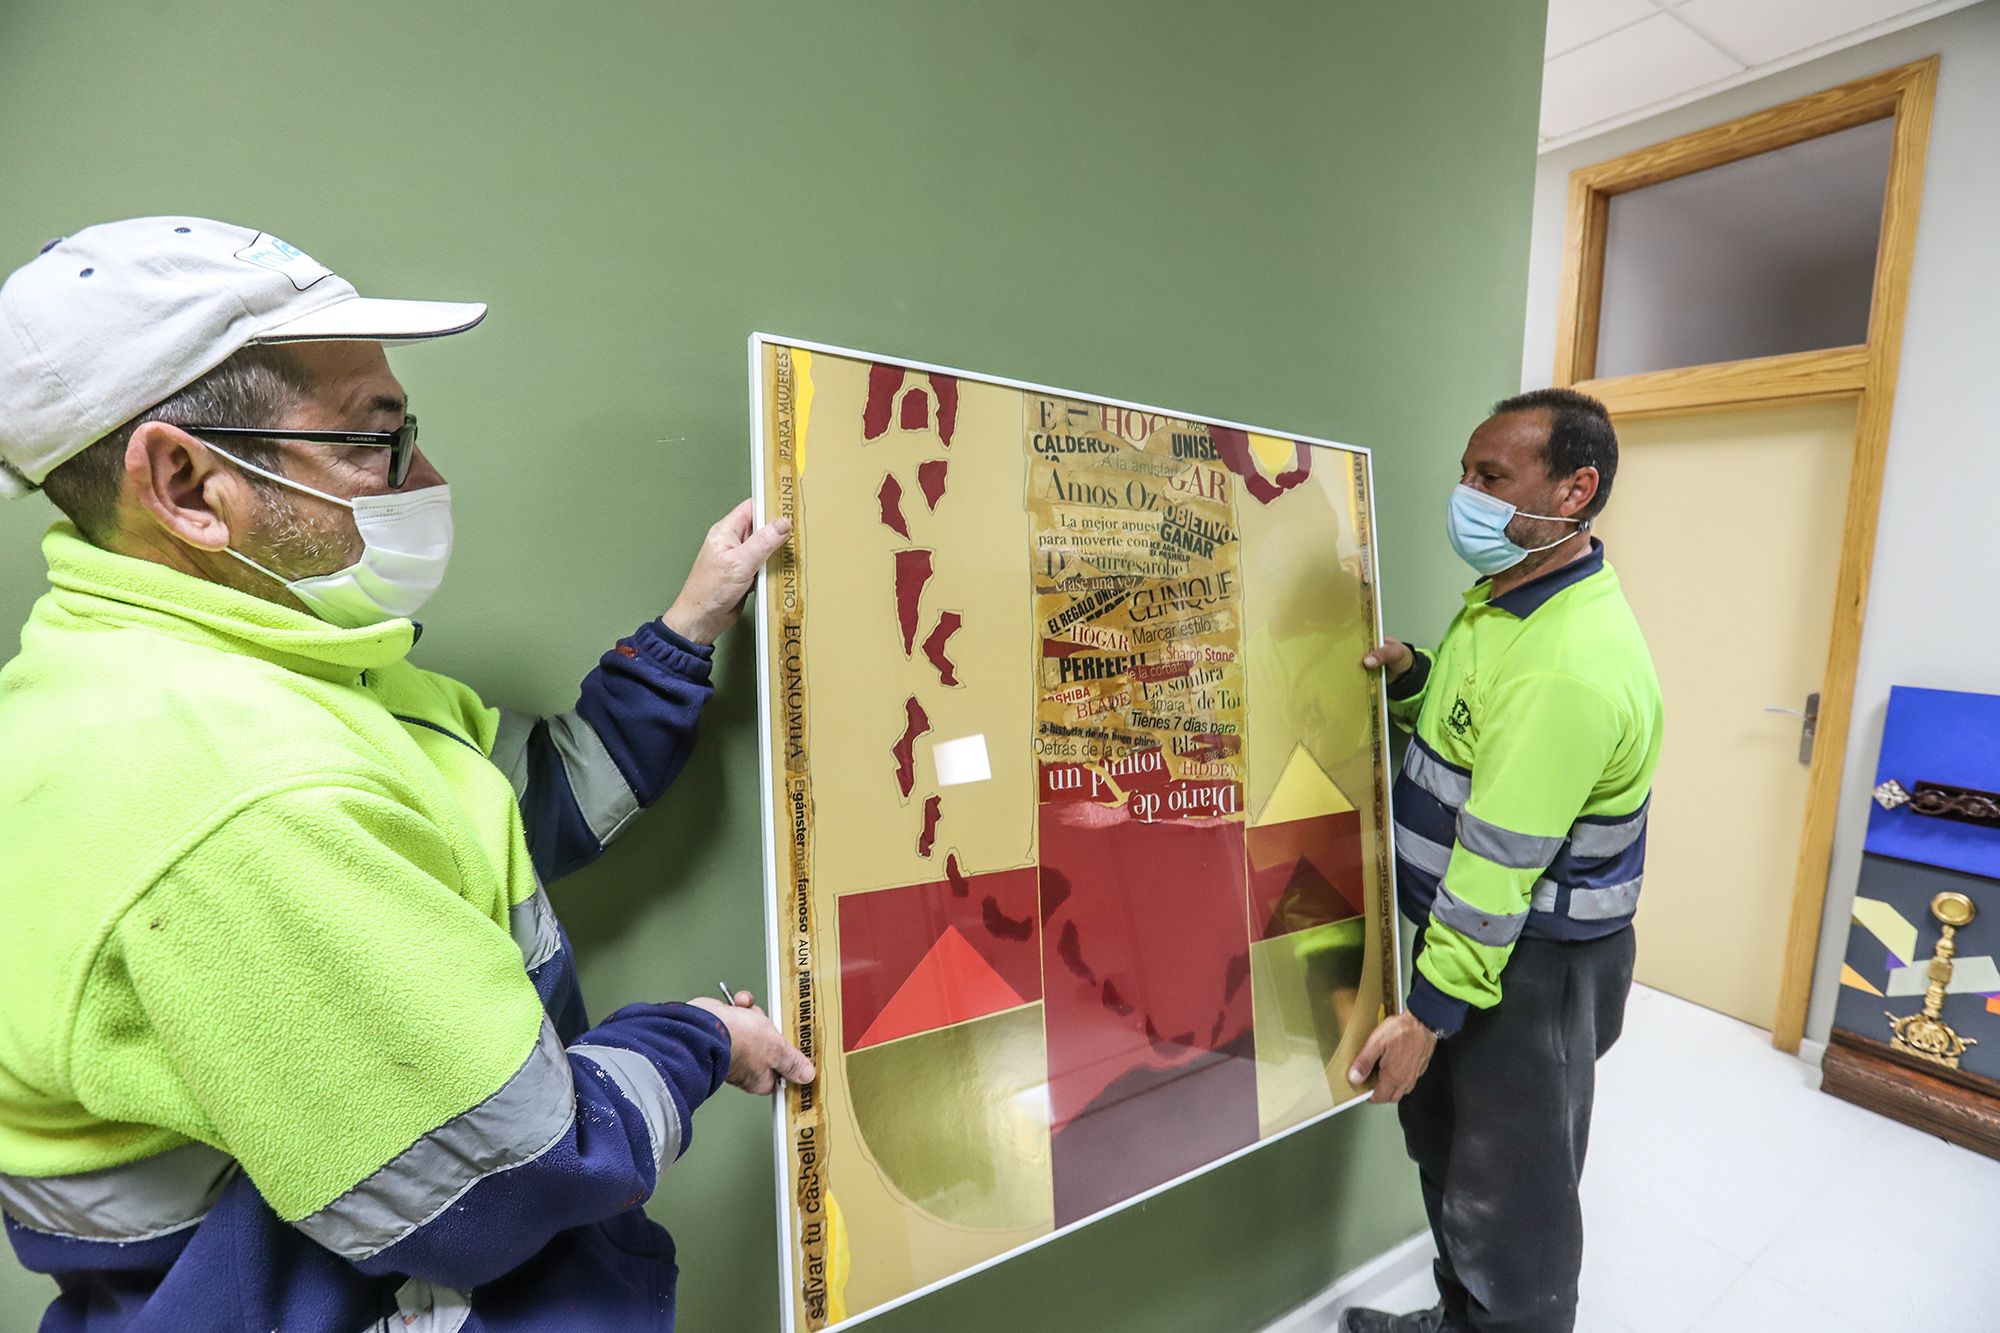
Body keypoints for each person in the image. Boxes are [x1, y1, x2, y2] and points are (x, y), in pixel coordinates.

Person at [0, 217, 813, 1333]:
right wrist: (696, 1041)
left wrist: (688, 625)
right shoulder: (240, 796)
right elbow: (511, 1173)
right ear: (188, 483)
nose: (422, 478)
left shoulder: (274, 667)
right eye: (371, 442)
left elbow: (529, 800)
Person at [1343, 390, 1663, 1333]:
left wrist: (1429, 1014)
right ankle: (1453, 1322)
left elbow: (1497, 862)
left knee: (1510, 1210)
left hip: (1526, 969)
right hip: (1474, 951)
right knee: (1448, 1155)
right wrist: (1416, 678)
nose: (1465, 495)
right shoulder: (1510, 601)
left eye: (1492, 477)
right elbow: (1479, 724)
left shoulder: (1568, 661)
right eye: (1466, 471)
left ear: (1576, 489)